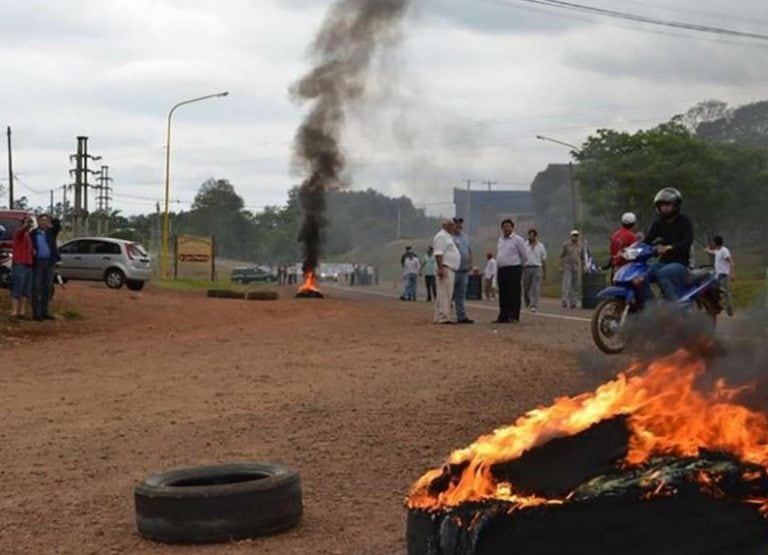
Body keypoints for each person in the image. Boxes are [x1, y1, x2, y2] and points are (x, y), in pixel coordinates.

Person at [643, 187, 693, 302]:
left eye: (667, 204)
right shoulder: (658, 224)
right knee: (642, 275)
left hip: (680, 264)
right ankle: (649, 307)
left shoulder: (684, 222)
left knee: (662, 274)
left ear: (675, 205)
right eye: (661, 205)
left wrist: (670, 247)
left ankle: (673, 307)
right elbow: (647, 240)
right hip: (663, 262)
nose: (663, 207)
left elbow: (687, 242)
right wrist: (630, 249)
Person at [495, 219, 528, 323]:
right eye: (504, 226)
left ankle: (514, 315)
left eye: (508, 226)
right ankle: (503, 315)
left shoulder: (518, 240)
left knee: (514, 293)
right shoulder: (500, 240)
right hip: (502, 269)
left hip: (513, 268)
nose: (506, 228)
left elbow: (524, 255)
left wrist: (517, 265)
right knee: (503, 293)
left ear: (512, 228)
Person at [30, 213, 61, 321]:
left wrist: (52, 217)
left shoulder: (51, 232)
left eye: (45, 220)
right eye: (42, 220)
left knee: (47, 287)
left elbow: (58, 226)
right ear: (38, 222)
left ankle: (45, 311)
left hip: (49, 262)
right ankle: (36, 313)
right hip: (38, 262)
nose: (44, 222)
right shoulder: (33, 234)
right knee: (37, 287)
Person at [432, 219, 461, 324]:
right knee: (445, 293)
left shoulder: (448, 237)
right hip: (445, 267)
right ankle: (443, 317)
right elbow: (438, 253)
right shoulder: (441, 237)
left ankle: (439, 315)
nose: (451, 227)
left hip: (449, 268)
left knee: (444, 293)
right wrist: (440, 268)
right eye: (449, 225)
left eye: (452, 225)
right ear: (443, 226)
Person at [9, 216, 34, 322]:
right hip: (19, 264)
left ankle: (22, 312)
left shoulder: (29, 236)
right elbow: (22, 229)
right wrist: (26, 224)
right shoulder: (18, 233)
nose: (28, 225)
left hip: (28, 264)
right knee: (17, 287)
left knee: (26, 289)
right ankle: (14, 312)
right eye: (26, 223)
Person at [451, 217, 474, 324]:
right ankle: (444, 315)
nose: (458, 226)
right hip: (453, 270)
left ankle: (461, 316)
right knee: (449, 294)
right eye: (456, 224)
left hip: (464, 270)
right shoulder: (449, 237)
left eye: (460, 225)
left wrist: (470, 263)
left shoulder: (465, 237)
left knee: (460, 295)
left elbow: (469, 251)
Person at [707, 235, 735, 316]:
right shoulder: (718, 251)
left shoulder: (724, 251)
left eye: (713, 242)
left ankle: (730, 310)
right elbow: (712, 252)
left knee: (725, 292)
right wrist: (707, 250)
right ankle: (717, 307)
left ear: (716, 243)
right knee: (715, 291)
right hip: (717, 275)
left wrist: (732, 274)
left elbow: (731, 262)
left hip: (724, 275)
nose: (713, 244)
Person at [522, 229, 547, 312]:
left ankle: (534, 305)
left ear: (535, 236)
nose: (530, 237)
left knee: (535, 287)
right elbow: (521, 257)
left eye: (532, 235)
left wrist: (545, 272)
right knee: (526, 288)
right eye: (529, 235)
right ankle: (527, 301)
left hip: (537, 267)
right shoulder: (524, 245)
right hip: (526, 268)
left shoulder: (541, 246)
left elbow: (543, 259)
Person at [559, 230, 583, 308]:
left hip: (576, 267)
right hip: (567, 266)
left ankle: (573, 302)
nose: (575, 237)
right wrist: (561, 266)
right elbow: (561, 256)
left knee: (575, 285)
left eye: (576, 236)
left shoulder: (580, 246)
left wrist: (583, 266)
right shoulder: (566, 245)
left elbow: (582, 258)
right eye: (574, 235)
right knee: (567, 285)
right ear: (571, 236)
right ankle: (564, 300)